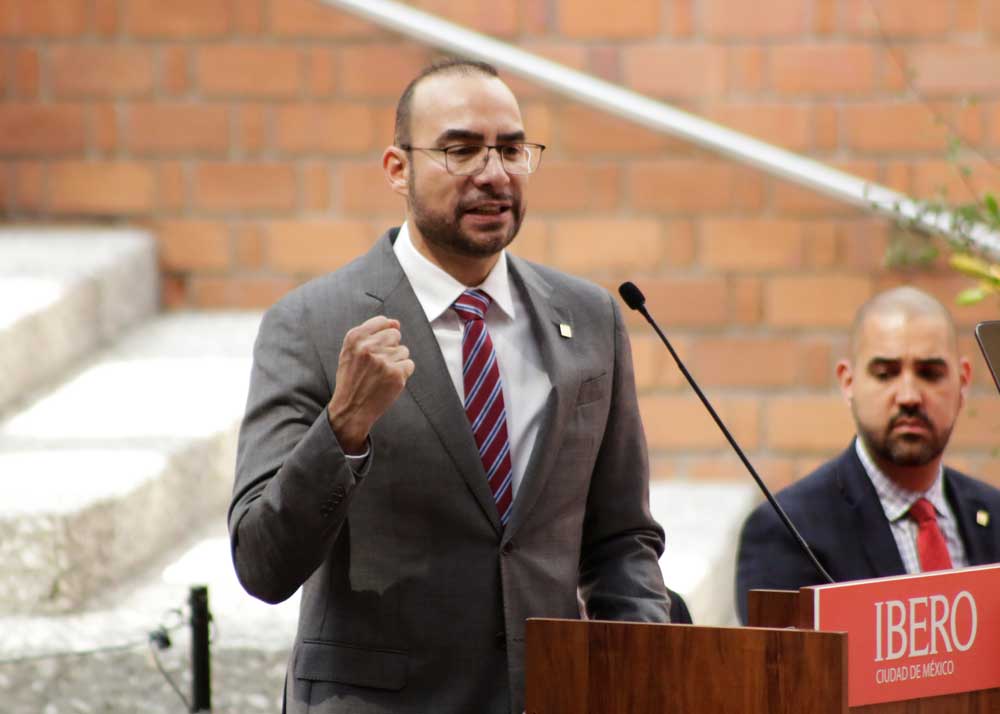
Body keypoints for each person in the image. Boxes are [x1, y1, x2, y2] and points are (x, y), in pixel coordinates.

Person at [228, 59, 672, 714]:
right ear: (397, 168)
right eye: (460, 150)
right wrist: (343, 429)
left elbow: (621, 539)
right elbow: (262, 564)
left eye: (512, 150)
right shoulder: (311, 324)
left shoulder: (590, 318)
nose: (494, 174)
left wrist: (643, 667)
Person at [735, 286, 1000, 623]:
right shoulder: (788, 531)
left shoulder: (994, 513)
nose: (909, 396)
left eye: (930, 374)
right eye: (885, 374)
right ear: (848, 382)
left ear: (963, 382)